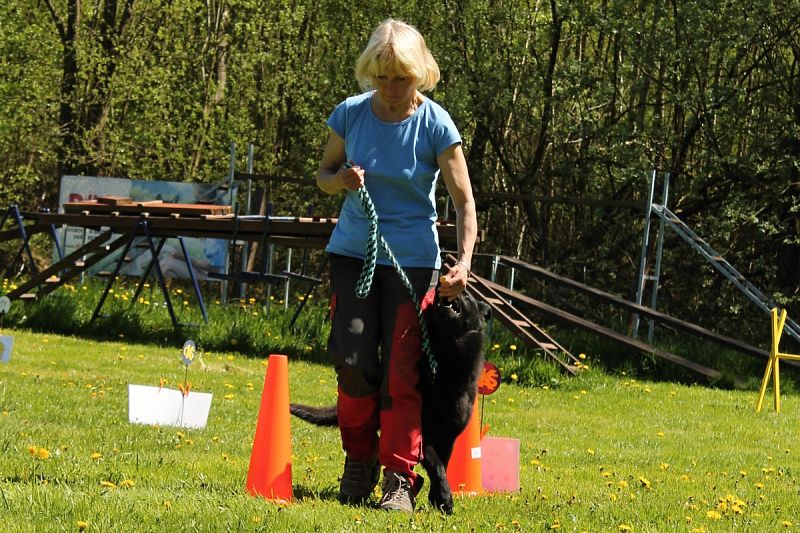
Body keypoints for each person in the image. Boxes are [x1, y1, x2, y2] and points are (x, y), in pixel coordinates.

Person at [316, 18, 477, 513]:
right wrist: (340, 180)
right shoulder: (349, 115)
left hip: (413, 263)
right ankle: (357, 460)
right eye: (381, 77)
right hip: (353, 253)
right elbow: (322, 175)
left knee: (401, 373)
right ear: (370, 72)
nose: (389, 88)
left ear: (420, 74)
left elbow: (465, 203)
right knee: (354, 360)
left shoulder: (436, 124)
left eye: (401, 78)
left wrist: (464, 262)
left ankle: (400, 479)